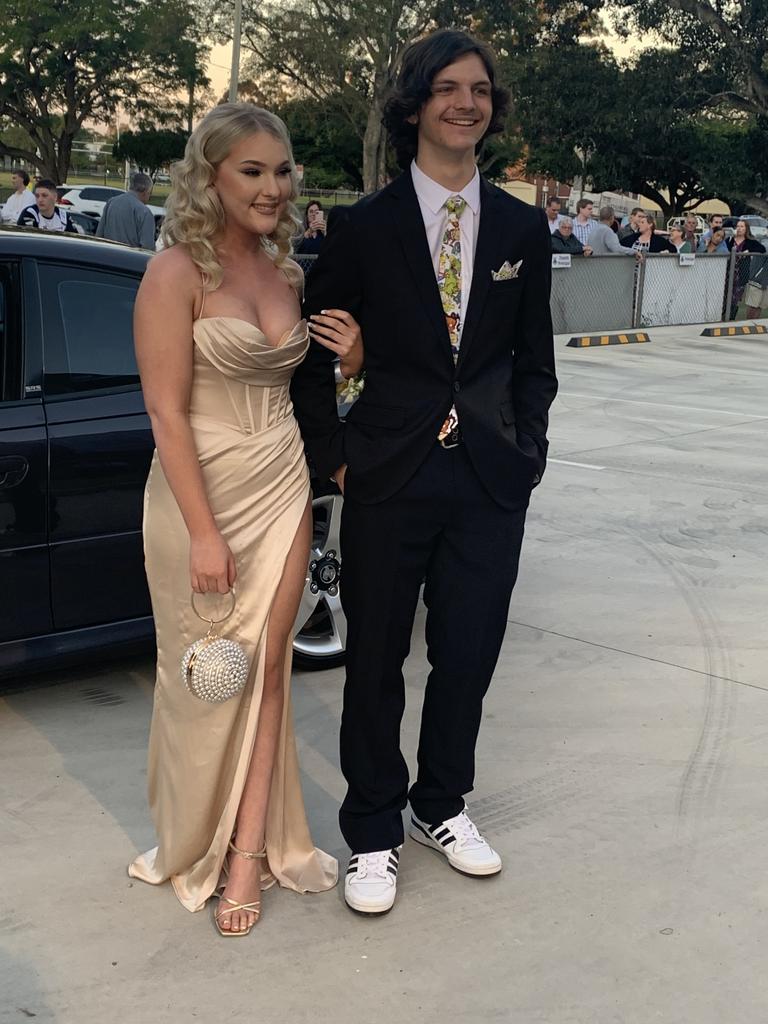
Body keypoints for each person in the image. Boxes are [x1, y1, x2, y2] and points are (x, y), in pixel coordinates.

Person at [291, 28, 558, 915]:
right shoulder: (363, 226)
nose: (466, 103)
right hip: (388, 473)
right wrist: (333, 458)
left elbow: (533, 364)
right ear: (415, 106)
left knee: (468, 657)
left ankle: (441, 805)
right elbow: (307, 355)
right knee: (372, 662)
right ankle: (372, 828)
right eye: (447, 88)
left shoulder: (523, 226)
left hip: (489, 480)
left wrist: (528, 455)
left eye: (480, 90)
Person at [128, 104, 364, 935]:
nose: (272, 187)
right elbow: (163, 411)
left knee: (269, 669)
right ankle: (193, 833)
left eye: (282, 171)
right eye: (251, 171)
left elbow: (309, 392)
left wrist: (354, 363)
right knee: (203, 676)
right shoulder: (174, 273)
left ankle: (248, 856)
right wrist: (201, 530)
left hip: (281, 483)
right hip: (201, 489)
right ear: (212, 177)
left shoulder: (287, 273)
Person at [96, 171, 155, 249]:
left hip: (107, 255)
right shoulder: (144, 212)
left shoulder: (111, 202)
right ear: (145, 191)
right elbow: (147, 247)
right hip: (131, 258)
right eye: (150, 194)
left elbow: (99, 235)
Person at [727, 219, 766, 318]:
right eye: (738, 226)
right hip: (728, 272)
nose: (739, 229)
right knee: (726, 297)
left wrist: (748, 251)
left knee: (735, 299)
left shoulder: (750, 241)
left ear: (746, 229)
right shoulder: (730, 240)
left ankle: (731, 317)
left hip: (741, 274)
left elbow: (762, 249)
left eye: (742, 227)